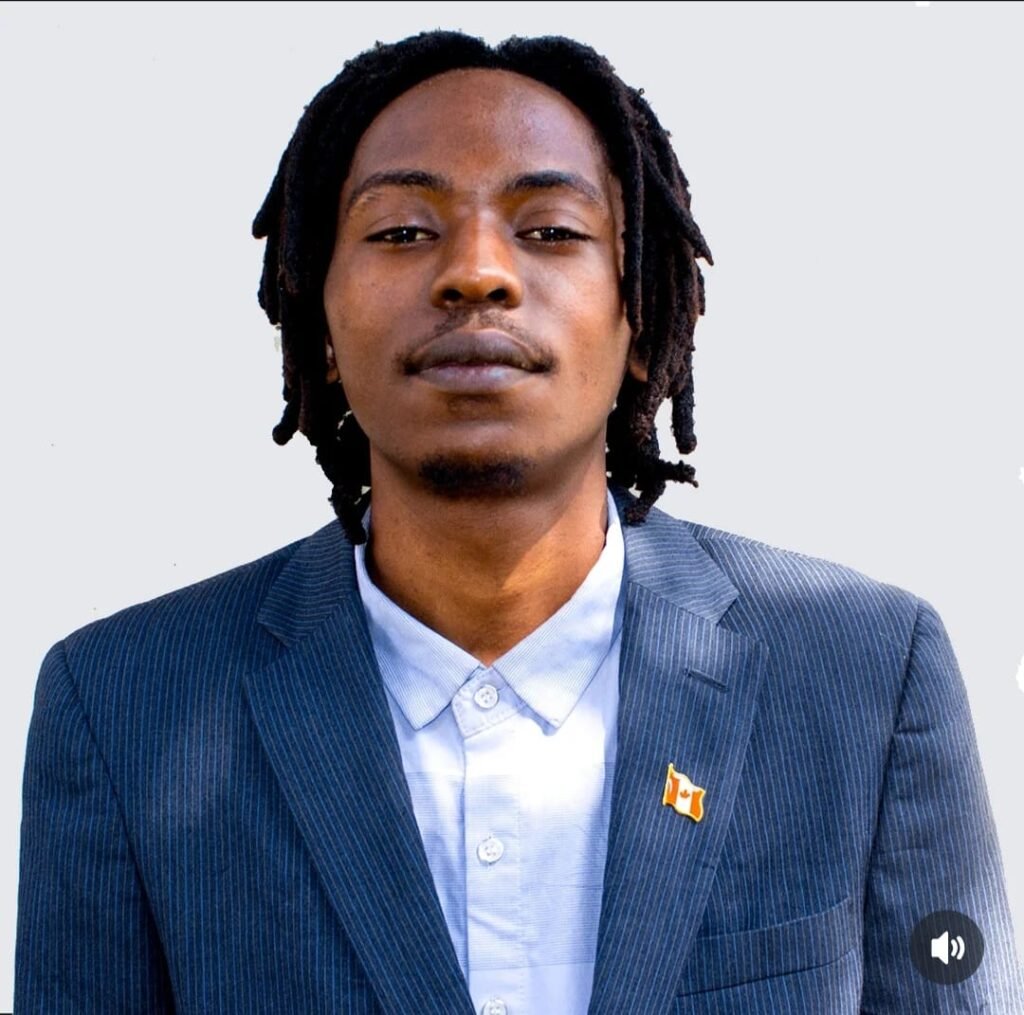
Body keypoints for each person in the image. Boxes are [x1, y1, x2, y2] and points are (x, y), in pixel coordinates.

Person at [15, 28, 1024, 1015]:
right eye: (401, 231)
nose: (477, 272)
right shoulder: (122, 706)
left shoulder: (865, 672)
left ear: (642, 316)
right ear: (317, 325)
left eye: (549, 231)